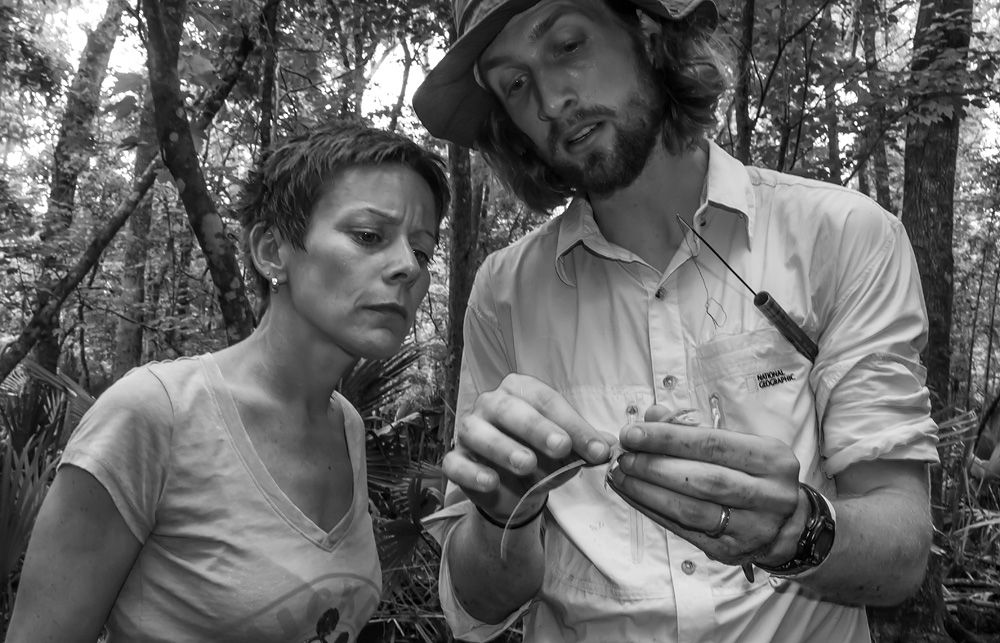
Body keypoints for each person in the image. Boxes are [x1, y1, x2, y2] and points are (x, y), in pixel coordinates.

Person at [411, 1, 939, 641]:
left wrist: (797, 530)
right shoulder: (504, 292)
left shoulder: (842, 237)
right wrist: (502, 514)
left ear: (647, 32)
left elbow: (902, 551)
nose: (550, 101)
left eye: (568, 45)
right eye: (515, 84)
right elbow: (476, 609)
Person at [5, 121, 451, 643]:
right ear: (271, 251)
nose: (407, 268)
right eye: (369, 236)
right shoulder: (156, 413)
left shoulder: (346, 425)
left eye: (421, 251)